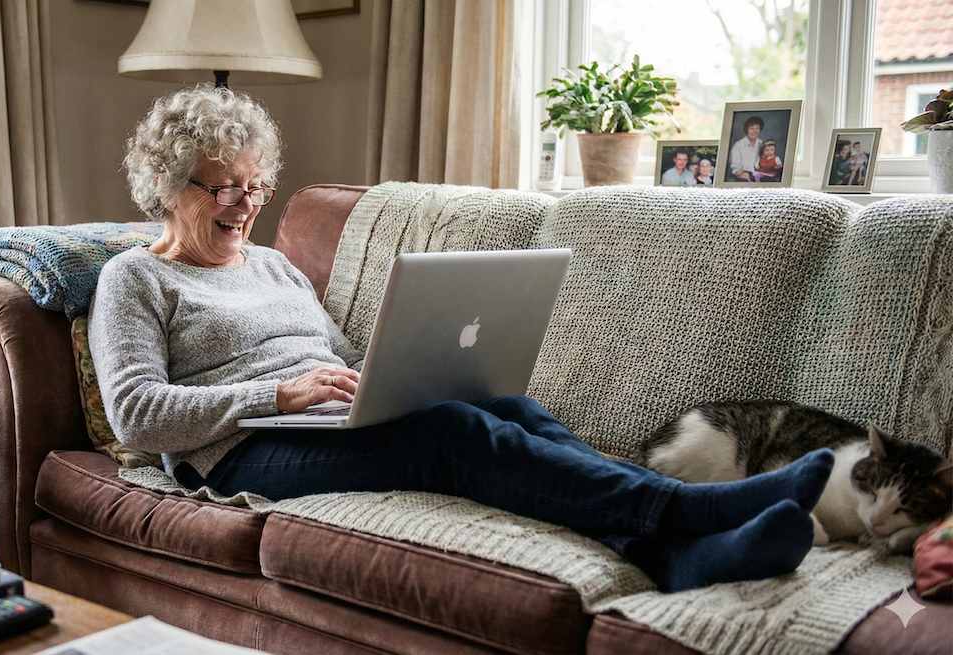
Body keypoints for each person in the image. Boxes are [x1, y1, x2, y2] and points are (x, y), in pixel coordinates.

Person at [90, 84, 834, 593]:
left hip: (326, 414)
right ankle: (686, 510)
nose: (244, 205)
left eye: (254, 186)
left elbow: (346, 361)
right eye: (223, 187)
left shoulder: (276, 267)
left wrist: (406, 367)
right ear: (167, 186)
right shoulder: (137, 278)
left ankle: (673, 556)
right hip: (244, 444)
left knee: (510, 407)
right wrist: (279, 392)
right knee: (453, 434)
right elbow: (137, 414)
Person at [727, 115, 763, 182]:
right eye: (752, 128)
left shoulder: (762, 144)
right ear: (747, 129)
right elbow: (735, 168)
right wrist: (744, 174)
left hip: (760, 176)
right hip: (743, 177)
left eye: (757, 128)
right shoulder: (738, 146)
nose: (755, 131)